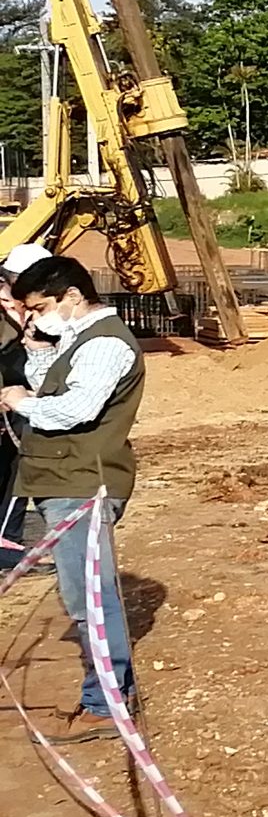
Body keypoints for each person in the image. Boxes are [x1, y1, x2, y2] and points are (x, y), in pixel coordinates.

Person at [0, 256, 145, 725]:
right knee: (83, 595)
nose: (33, 318)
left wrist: (24, 401)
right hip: (67, 480)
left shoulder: (104, 343)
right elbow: (57, 388)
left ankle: (109, 704)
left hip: (84, 481)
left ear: (72, 297)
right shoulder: (79, 339)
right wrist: (39, 351)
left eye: (39, 308)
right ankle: (106, 695)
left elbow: (77, 409)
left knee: (90, 598)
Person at [0, 241, 54, 573]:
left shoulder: (24, 312)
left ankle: (8, 541)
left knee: (16, 467)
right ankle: (6, 542)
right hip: (10, 402)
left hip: (18, 401)